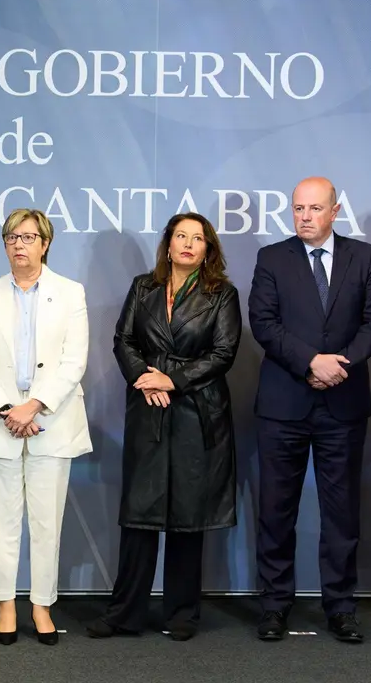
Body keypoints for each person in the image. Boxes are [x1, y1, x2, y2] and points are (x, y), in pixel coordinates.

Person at [86, 212, 241, 642]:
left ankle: (182, 614)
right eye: (181, 236)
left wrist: (171, 379)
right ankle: (125, 613)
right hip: (148, 408)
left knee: (188, 518)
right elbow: (124, 340)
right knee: (139, 516)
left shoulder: (222, 294)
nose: (189, 244)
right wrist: (144, 377)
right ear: (168, 244)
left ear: (208, 248)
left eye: (198, 238)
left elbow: (224, 352)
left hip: (197, 412)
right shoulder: (144, 286)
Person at [247, 176, 371, 643]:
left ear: (334, 211)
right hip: (284, 402)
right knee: (275, 509)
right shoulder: (272, 258)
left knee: (342, 511)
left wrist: (338, 365)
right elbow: (263, 323)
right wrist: (310, 361)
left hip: (342, 403)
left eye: (314, 208)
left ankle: (341, 608)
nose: (304, 216)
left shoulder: (362, 256)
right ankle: (274, 606)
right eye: (297, 208)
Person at [0, 208, 91, 647]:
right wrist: (7, 409)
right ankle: (4, 604)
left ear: (46, 243)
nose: (20, 244)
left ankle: (41, 605)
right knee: (1, 521)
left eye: (29, 237)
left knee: (45, 522)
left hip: (50, 422)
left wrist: (34, 405)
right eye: (12, 237)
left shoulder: (70, 292)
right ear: (4, 244)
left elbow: (74, 361)